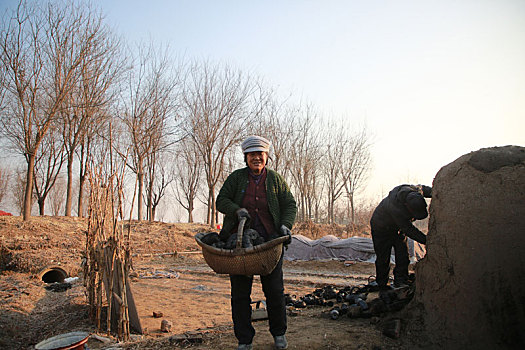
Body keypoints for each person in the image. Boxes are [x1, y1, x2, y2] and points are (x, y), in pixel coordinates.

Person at [216, 135, 297, 350]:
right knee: (240, 294)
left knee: (275, 291)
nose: (256, 158)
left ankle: (279, 334)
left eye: (260, 154)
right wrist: (236, 209)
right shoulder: (236, 178)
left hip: (270, 243)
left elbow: (290, 204)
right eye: (252, 155)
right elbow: (221, 200)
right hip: (240, 243)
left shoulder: (276, 180)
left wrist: (286, 224)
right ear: (246, 157)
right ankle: (244, 339)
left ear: (266, 156)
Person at [370, 184, 432, 293]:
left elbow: (427, 190)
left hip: (397, 228)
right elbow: (409, 229)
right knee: (383, 258)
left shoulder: (415, 192)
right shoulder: (396, 208)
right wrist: (427, 241)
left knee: (403, 255)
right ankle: (382, 285)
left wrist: (438, 191)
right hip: (381, 228)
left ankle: (401, 281)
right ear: (407, 206)